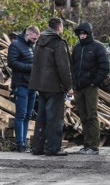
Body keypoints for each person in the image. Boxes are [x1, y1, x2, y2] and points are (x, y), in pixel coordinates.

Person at [29, 18, 73, 157]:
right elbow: (63, 67)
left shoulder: (39, 42)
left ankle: (37, 147)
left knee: (41, 117)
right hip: (54, 86)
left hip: (41, 85)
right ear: (59, 27)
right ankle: (53, 148)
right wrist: (68, 86)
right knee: (55, 118)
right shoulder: (57, 42)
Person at [71, 22, 110, 155]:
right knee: (83, 116)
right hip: (79, 87)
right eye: (80, 34)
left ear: (89, 33)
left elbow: (105, 67)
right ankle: (87, 143)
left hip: (90, 87)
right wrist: (73, 84)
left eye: (84, 33)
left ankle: (94, 146)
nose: (82, 36)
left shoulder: (98, 47)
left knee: (91, 115)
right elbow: (73, 67)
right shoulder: (77, 48)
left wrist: (95, 82)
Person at [7, 25, 40, 152]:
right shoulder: (15, 45)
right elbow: (12, 62)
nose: (35, 41)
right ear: (28, 34)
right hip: (21, 84)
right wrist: (31, 67)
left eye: (37, 39)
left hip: (32, 85)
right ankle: (20, 144)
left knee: (28, 115)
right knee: (20, 114)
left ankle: (24, 143)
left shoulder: (32, 46)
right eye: (34, 38)